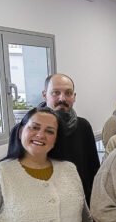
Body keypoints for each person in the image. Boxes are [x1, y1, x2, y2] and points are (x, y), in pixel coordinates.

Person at [41, 73, 100, 205]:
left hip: (79, 202)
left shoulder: (83, 126)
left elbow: (93, 170)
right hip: (45, 203)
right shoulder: (31, 130)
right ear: (44, 95)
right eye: (55, 93)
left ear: (74, 97)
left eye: (68, 93)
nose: (62, 98)